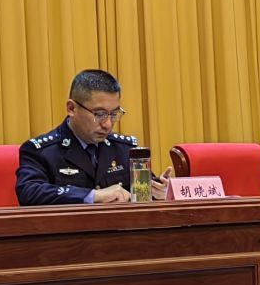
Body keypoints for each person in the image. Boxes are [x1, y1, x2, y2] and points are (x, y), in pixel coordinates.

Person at [18, 69, 166, 205]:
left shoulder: (124, 149)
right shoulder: (41, 151)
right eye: (99, 114)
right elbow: (29, 192)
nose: (108, 124)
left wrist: (160, 191)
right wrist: (93, 195)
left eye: (114, 114)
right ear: (71, 108)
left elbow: (143, 195)